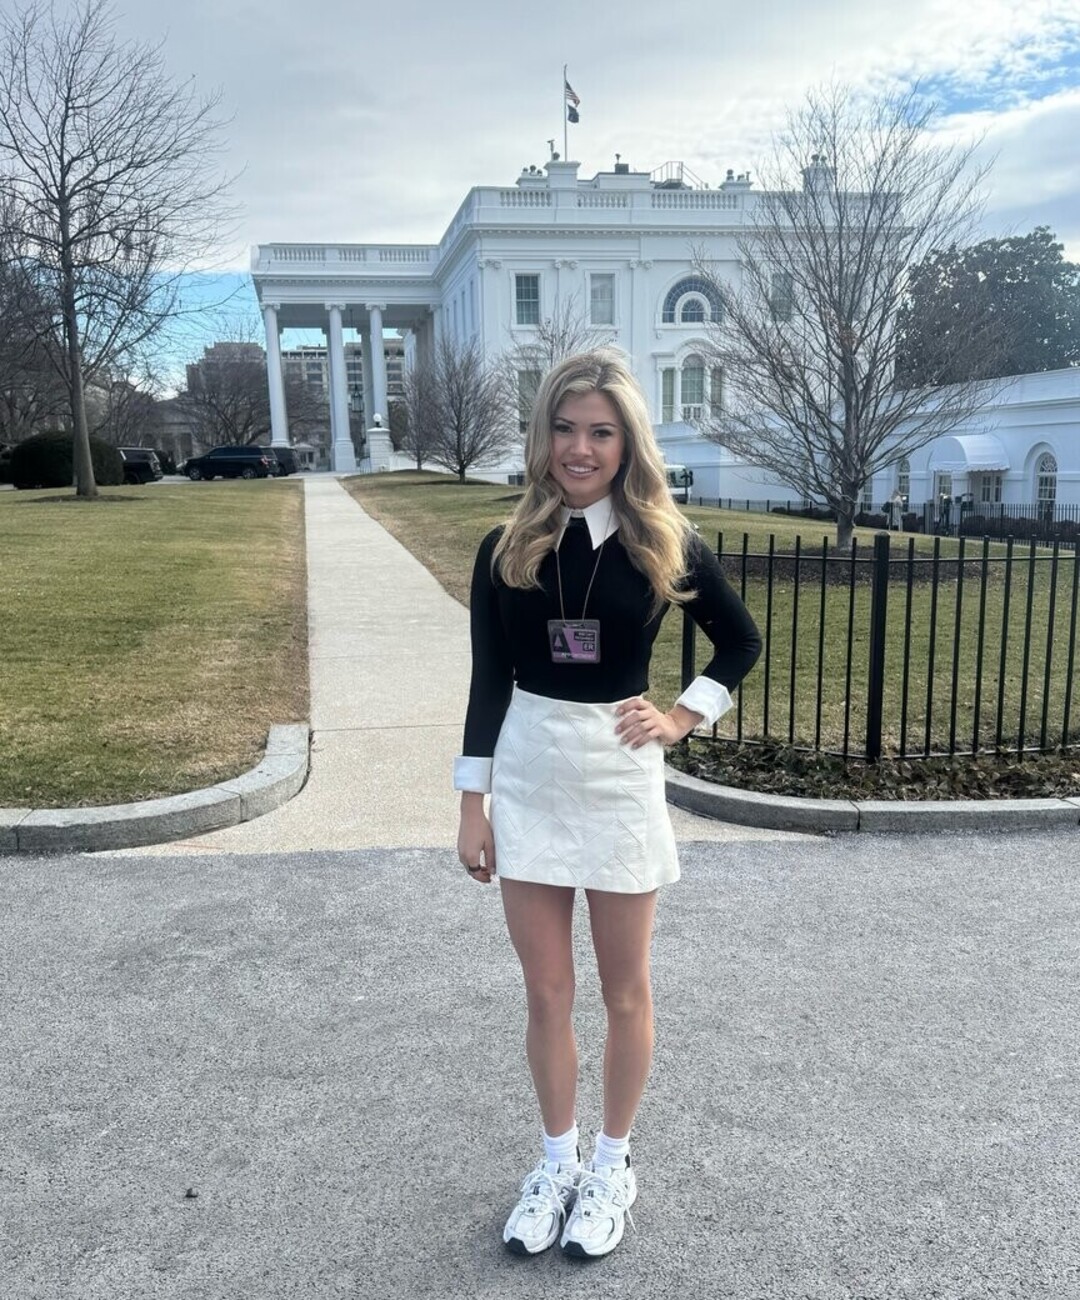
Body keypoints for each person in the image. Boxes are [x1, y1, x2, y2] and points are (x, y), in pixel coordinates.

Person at [454, 349, 761, 1260]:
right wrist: (472, 804)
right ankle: (557, 1164)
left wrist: (681, 717)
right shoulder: (505, 547)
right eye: (564, 428)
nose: (580, 449)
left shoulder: (664, 540)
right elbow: (487, 680)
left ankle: (612, 1165)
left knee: (625, 989)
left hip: (621, 778)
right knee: (547, 991)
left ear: (627, 444)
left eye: (600, 432)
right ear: (542, 436)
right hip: (531, 774)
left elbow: (740, 642)